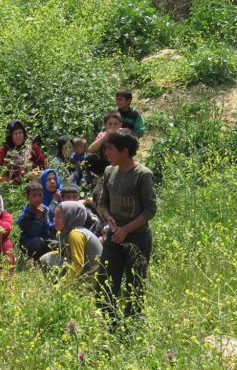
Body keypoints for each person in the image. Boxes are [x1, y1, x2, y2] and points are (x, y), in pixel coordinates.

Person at [95, 131, 157, 322]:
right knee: (104, 281)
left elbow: (150, 210)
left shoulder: (142, 175)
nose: (106, 153)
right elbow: (101, 202)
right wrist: (108, 218)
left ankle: (133, 326)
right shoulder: (109, 172)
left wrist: (126, 229)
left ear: (124, 151)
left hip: (137, 238)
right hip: (114, 236)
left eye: (110, 149)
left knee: (135, 284)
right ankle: (110, 323)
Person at [41, 202, 103, 279]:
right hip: (85, 270)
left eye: (58, 217)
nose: (54, 220)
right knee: (49, 257)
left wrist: (61, 285)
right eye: (54, 216)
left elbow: (78, 264)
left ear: (69, 217)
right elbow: (67, 254)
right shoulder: (66, 232)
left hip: (91, 276)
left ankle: (64, 285)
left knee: (47, 259)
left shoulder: (75, 234)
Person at [17, 182, 56, 261]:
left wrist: (55, 226)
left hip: (44, 239)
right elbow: (33, 234)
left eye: (40, 195)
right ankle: (35, 260)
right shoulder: (24, 216)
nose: (38, 198)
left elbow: (47, 228)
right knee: (38, 242)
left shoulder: (44, 209)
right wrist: (38, 218)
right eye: (34, 195)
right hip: (29, 243)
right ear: (28, 197)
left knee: (57, 242)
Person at [86, 111, 124, 179]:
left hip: (119, 163)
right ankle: (95, 178)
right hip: (105, 163)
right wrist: (105, 136)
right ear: (105, 125)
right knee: (89, 157)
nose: (113, 126)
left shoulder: (124, 135)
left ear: (120, 125)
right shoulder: (102, 134)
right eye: (110, 124)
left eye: (116, 124)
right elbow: (90, 149)